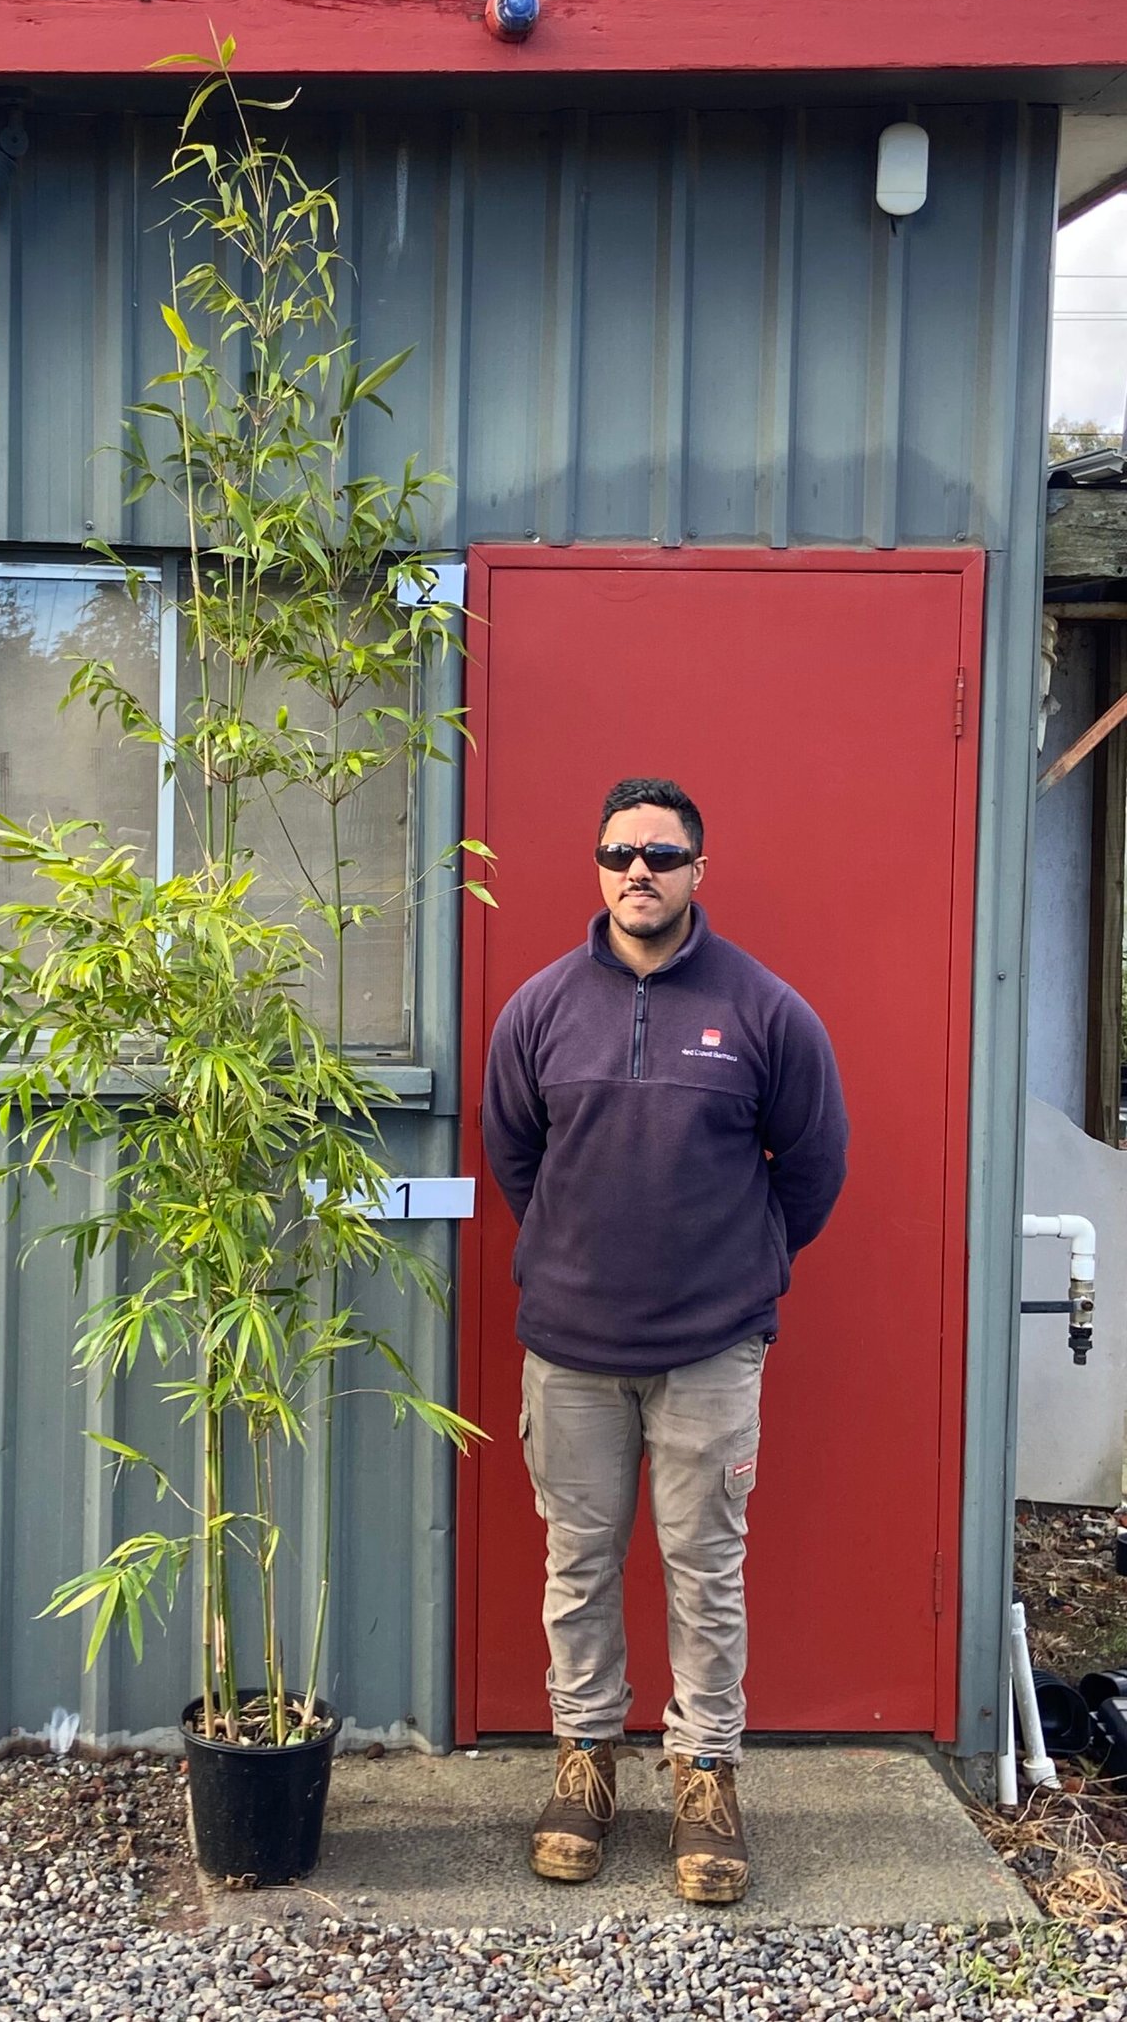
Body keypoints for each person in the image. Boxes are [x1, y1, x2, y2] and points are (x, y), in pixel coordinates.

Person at [481, 776, 848, 1904]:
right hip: (571, 1350)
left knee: (706, 1570)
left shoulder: (765, 1011)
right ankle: (584, 1763)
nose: (638, 870)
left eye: (661, 854)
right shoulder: (539, 1010)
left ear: (698, 869)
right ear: (597, 869)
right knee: (578, 1564)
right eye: (618, 853)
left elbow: (814, 1164)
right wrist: (579, 1252)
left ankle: (705, 1776)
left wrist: (742, 1266)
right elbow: (517, 1158)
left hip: (710, 1349)